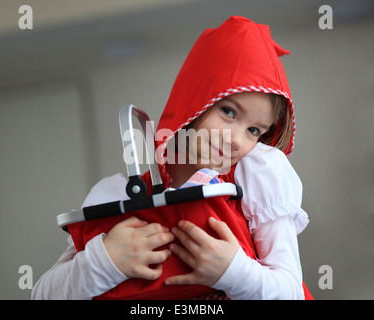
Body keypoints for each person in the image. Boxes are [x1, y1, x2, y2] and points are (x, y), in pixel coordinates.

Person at [32, 16, 311, 300]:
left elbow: (291, 292)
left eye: (254, 130)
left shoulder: (256, 171)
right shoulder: (116, 194)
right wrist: (104, 262)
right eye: (228, 111)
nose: (236, 140)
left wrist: (235, 272)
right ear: (195, 100)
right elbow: (42, 295)